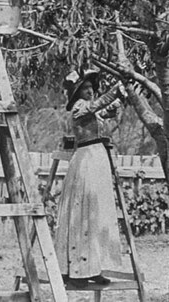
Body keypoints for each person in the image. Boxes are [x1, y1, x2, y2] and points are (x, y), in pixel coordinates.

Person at [54, 69, 127, 284]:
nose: (89, 91)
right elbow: (98, 104)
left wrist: (123, 96)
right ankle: (76, 270)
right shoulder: (79, 108)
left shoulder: (92, 112)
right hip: (86, 158)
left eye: (90, 88)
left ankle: (93, 267)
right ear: (77, 93)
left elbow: (107, 110)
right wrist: (115, 90)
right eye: (85, 88)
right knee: (83, 211)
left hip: (98, 157)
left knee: (97, 211)